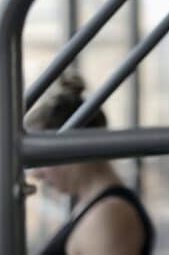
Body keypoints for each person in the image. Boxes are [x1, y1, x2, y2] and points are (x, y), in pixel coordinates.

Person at [26, 72, 154, 255]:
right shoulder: (90, 207)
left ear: (73, 148)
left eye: (41, 159)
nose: (35, 174)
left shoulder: (108, 216)